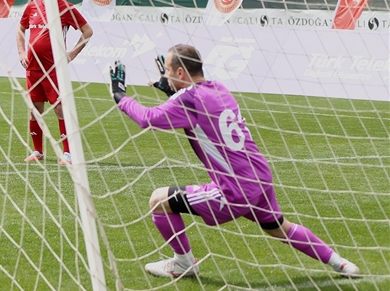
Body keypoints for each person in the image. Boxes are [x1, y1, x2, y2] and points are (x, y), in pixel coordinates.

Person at [108, 44, 360, 278]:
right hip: (259, 178)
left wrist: (120, 95)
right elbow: (199, 110)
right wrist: (171, 89)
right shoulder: (219, 88)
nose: (167, 77)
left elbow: (148, 119)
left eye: (170, 72)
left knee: (158, 201)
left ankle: (183, 263)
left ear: (182, 72)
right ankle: (341, 263)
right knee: (280, 228)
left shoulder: (188, 99)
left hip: (234, 190)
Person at [16, 0, 93, 165]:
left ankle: (68, 154)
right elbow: (20, 30)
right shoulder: (31, 7)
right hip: (33, 69)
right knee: (34, 110)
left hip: (54, 69)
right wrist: (21, 52)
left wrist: (72, 54)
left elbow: (88, 31)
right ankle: (38, 151)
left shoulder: (65, 7)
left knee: (60, 109)